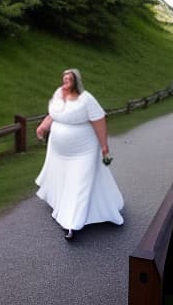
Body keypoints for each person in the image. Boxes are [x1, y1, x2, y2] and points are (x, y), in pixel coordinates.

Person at [35, 68, 124, 240]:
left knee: (80, 182)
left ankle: (72, 223)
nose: (65, 81)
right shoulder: (58, 93)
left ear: (76, 81)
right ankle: (65, 206)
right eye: (64, 78)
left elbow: (99, 122)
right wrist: (44, 126)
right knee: (62, 178)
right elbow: (54, 113)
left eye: (69, 79)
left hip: (84, 149)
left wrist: (104, 146)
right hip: (58, 150)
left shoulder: (86, 99)